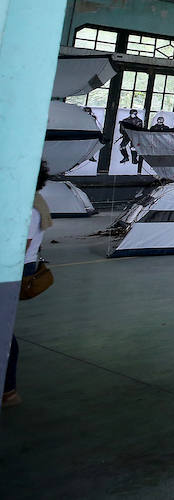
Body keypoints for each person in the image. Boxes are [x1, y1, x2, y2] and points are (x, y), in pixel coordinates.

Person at [5, 162, 52, 407]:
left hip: (14, 269)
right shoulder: (30, 203)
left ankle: (9, 390)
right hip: (14, 266)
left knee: (2, 330)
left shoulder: (30, 209)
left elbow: (17, 247)